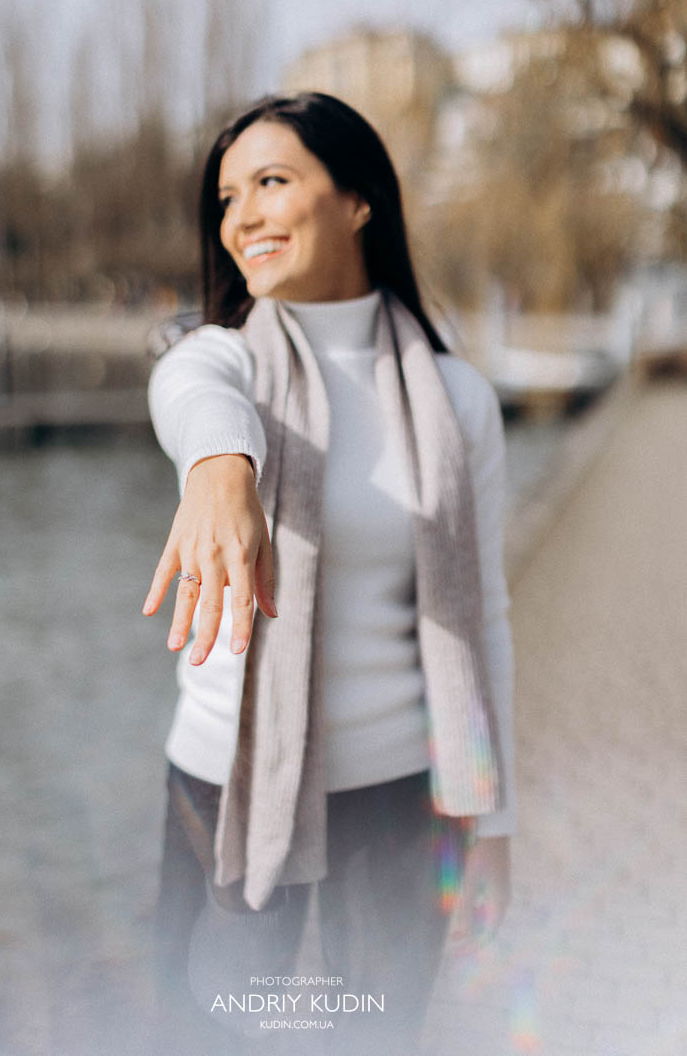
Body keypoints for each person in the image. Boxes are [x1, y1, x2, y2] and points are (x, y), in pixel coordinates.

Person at [143, 92, 515, 1055]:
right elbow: (187, 389)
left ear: (357, 200)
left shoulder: (458, 399)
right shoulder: (224, 363)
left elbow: (488, 619)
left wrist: (493, 822)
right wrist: (222, 465)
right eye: (227, 197)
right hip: (222, 780)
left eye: (273, 182)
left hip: (399, 792)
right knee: (202, 1029)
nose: (244, 217)